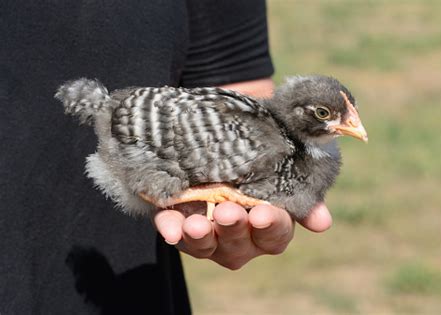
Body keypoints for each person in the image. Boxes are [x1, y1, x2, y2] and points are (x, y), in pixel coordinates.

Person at [0, 1, 332, 314]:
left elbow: (239, 84)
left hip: (126, 276)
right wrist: (203, 191)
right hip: (122, 159)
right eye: (326, 114)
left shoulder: (273, 143)